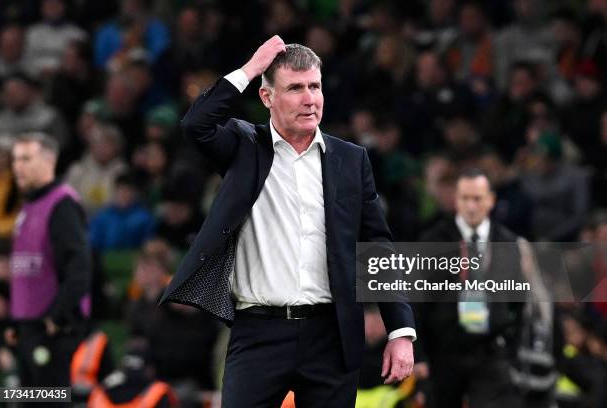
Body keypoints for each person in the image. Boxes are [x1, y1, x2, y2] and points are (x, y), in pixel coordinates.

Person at [159, 36, 415, 407]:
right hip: (258, 332)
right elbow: (195, 124)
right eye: (295, 88)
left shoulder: (351, 159)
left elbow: (377, 246)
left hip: (332, 333)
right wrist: (251, 68)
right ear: (267, 98)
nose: (309, 98)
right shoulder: (244, 147)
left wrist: (400, 330)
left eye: (315, 86)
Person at [415, 168, 525, 408]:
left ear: (491, 200)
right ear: (456, 200)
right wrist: (419, 354)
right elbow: (417, 303)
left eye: (477, 198)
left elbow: (520, 302)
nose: (471, 206)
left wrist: (512, 351)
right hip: (444, 352)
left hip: (491, 351)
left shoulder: (507, 242)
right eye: (465, 198)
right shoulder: (432, 241)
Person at [6, 132, 91, 387]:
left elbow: (80, 268)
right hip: (28, 328)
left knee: (51, 400)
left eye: (26, 159)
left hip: (51, 331)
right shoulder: (29, 205)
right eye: (15, 160)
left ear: (49, 161)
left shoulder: (61, 204)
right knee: (24, 400)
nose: (17, 166)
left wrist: (56, 316)